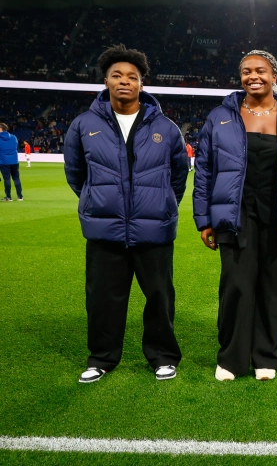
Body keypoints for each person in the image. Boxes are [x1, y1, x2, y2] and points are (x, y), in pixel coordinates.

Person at [63, 44, 188, 383]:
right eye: (117, 75)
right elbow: (76, 174)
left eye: (132, 77)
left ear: (141, 85)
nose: (124, 82)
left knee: (160, 297)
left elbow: (178, 176)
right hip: (105, 230)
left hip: (154, 230)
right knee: (103, 298)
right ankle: (102, 358)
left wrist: (160, 204)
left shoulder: (165, 127)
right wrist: (100, 203)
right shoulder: (83, 124)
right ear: (105, 80)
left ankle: (163, 356)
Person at [194, 50, 277, 382]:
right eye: (246, 71)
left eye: (261, 71)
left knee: (274, 288)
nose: (253, 76)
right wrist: (204, 218)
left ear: (274, 76)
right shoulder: (220, 117)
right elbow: (204, 169)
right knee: (236, 285)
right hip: (237, 213)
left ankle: (267, 356)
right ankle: (232, 359)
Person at [0, 122, 23, 201]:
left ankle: (8, 197)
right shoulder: (13, 137)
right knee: (16, 178)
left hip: (4, 162)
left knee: (7, 179)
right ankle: (20, 196)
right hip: (14, 161)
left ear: (1, 129)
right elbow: (15, 147)